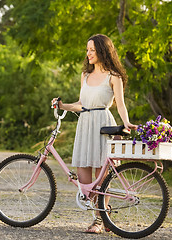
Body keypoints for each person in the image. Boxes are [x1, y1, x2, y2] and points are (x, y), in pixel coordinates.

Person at [51, 34, 137, 234]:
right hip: (85, 125)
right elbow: (81, 105)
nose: (88, 53)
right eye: (87, 50)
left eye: (92, 50)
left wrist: (126, 122)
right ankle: (103, 212)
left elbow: (121, 105)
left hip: (103, 124)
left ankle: (99, 220)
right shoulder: (86, 75)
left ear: (102, 51)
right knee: (85, 183)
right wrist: (63, 105)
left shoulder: (113, 76)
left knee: (101, 176)